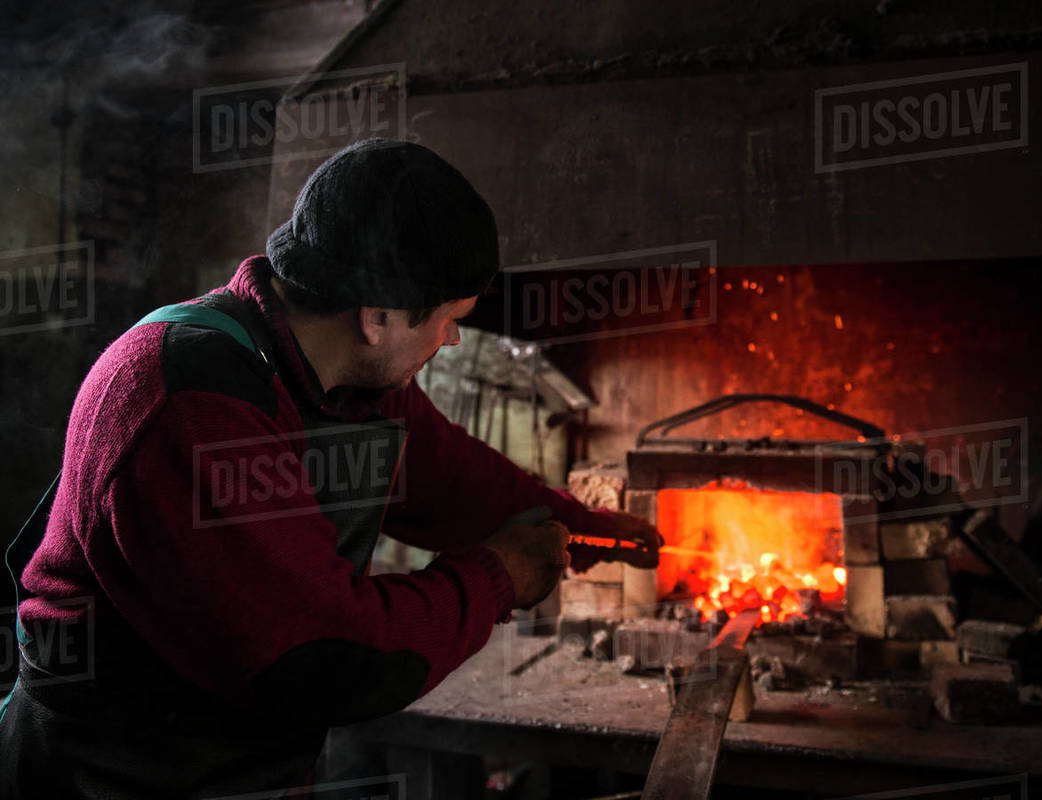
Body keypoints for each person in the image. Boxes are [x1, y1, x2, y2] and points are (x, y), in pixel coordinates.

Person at [0, 138, 660, 799]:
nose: (452, 339)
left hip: (245, 761)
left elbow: (450, 479)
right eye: (450, 321)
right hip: (115, 774)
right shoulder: (189, 400)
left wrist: (584, 527)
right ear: (376, 316)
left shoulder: (351, 380)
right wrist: (496, 578)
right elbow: (326, 655)